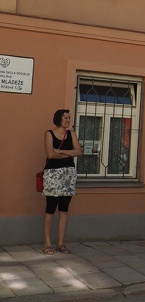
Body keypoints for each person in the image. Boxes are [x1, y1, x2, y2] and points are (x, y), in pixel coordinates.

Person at [42, 109, 83, 255]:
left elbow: (79, 152)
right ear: (58, 118)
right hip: (53, 174)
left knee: (64, 209)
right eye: (65, 118)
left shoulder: (71, 134)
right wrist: (69, 153)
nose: (68, 120)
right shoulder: (49, 133)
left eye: (69, 118)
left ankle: (60, 244)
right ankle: (47, 245)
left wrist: (60, 151)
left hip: (68, 174)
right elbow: (50, 154)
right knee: (50, 208)